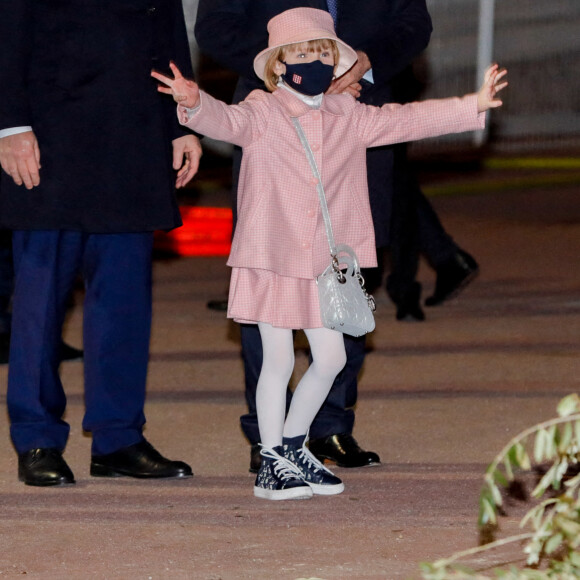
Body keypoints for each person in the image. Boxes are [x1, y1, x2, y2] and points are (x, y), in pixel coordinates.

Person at [153, 7, 507, 499]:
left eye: (322, 53)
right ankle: (271, 460)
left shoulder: (348, 115)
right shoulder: (261, 112)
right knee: (276, 363)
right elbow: (225, 120)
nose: (314, 63)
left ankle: (294, 447)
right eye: (301, 54)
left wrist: (473, 105)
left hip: (325, 265)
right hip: (271, 259)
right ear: (278, 65)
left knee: (331, 358)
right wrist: (193, 105)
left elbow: (406, 119)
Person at [194, 0, 435, 474]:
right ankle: (269, 436)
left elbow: (413, 21)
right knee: (272, 282)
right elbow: (216, 26)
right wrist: (289, 73)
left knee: (346, 273)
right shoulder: (267, 102)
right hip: (273, 120)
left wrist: (363, 63)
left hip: (359, 110)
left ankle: (331, 427)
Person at [0, 0, 202, 487]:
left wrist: (181, 124)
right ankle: (37, 438)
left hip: (132, 142)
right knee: (40, 304)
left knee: (124, 304)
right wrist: (10, 125)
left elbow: (168, 37)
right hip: (48, 142)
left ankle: (118, 438)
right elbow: (6, 34)